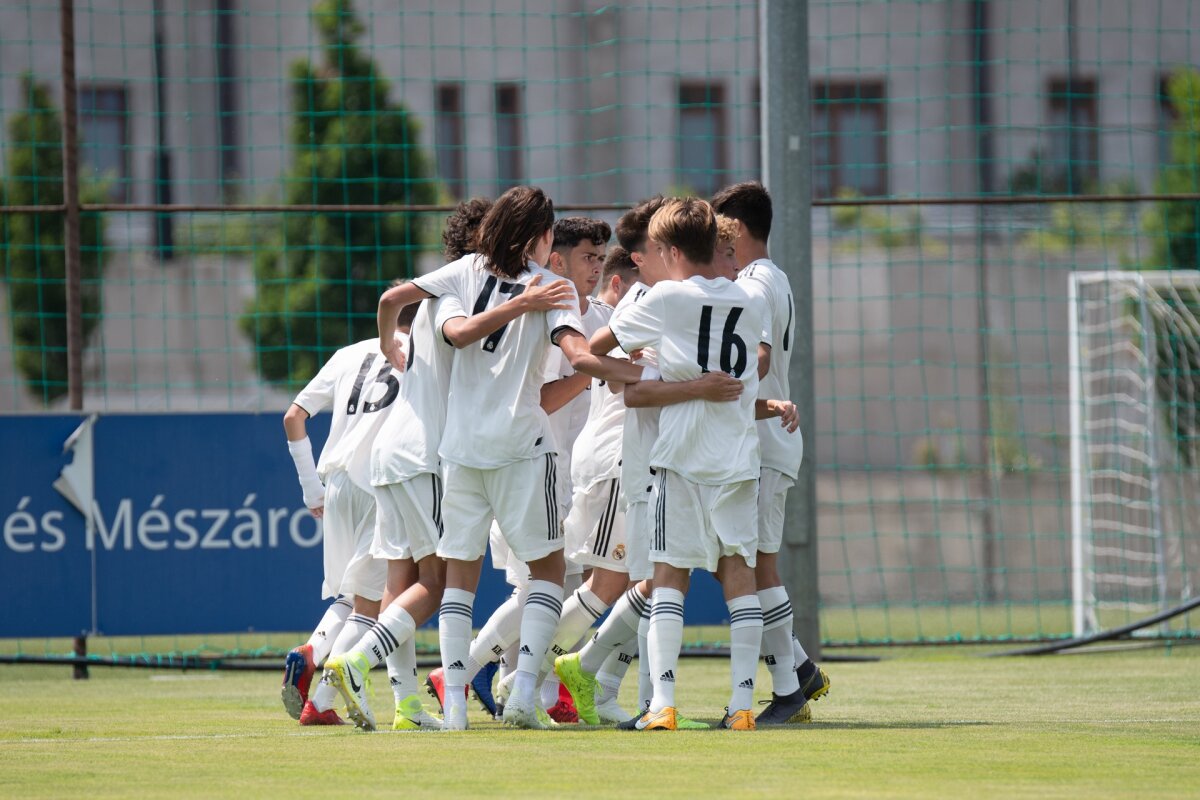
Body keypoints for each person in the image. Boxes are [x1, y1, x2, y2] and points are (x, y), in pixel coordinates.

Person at [330, 185, 644, 731]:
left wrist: (388, 345)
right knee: (548, 570)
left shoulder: (463, 271)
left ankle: (451, 710)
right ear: (543, 237)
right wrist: (641, 373)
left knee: (457, 580)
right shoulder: (549, 287)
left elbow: (398, 306)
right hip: (521, 447)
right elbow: (575, 355)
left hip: (459, 452)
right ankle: (524, 690)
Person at [599, 197, 773, 731]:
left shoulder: (667, 297)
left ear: (671, 251)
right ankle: (743, 705)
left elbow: (601, 349)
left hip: (681, 458)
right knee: (739, 574)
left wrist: (651, 367)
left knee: (669, 576)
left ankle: (664, 704)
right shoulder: (751, 297)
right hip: (740, 456)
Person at [712, 181, 830, 723]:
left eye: (719, 228)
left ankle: (790, 684)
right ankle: (799, 668)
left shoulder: (754, 287)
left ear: (735, 229)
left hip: (762, 441)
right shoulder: (772, 278)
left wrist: (711, 382)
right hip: (766, 442)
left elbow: (756, 361)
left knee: (754, 567)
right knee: (737, 563)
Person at [279, 309, 404, 725]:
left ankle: (315, 670)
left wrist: (310, 488)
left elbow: (293, 416)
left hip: (336, 485)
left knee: (349, 597)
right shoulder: (427, 350)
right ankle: (319, 689)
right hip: (380, 484)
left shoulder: (348, 354)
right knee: (371, 606)